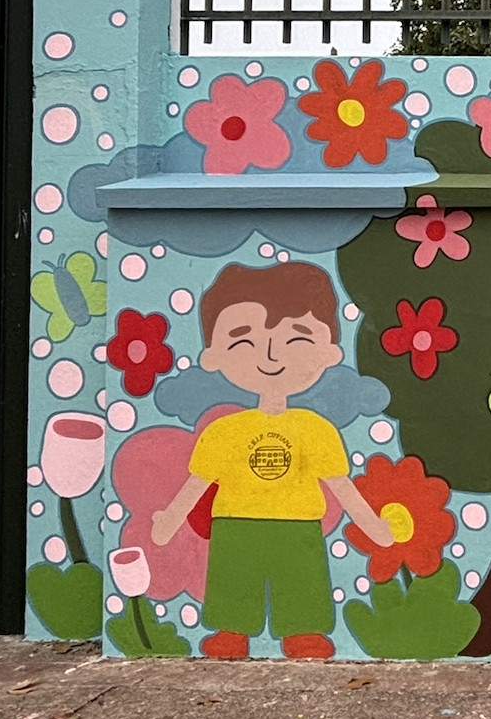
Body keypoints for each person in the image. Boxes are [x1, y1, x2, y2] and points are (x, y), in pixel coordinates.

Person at [152, 261, 393, 659]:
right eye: (243, 341)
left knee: (302, 582)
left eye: (296, 339)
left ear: (330, 352)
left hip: (298, 525)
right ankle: (231, 632)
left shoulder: (316, 430)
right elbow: (196, 485)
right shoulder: (223, 432)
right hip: (235, 523)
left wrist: (373, 526)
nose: (269, 354)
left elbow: (340, 486)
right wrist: (170, 520)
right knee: (233, 580)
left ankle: (303, 633)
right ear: (212, 355)